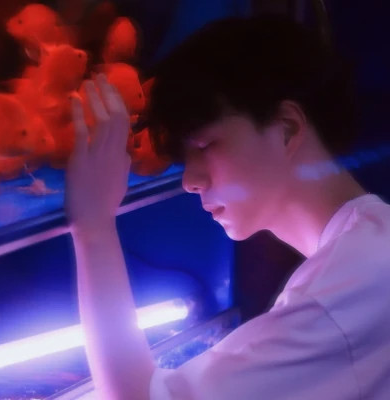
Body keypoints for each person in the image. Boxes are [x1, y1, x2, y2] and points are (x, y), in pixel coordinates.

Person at [65, 15, 390, 400]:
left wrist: (93, 227)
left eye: (205, 145)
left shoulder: (342, 294)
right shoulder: (368, 247)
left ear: (286, 129)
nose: (190, 181)